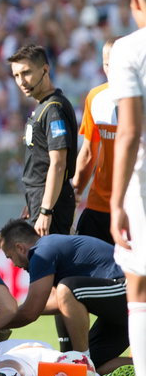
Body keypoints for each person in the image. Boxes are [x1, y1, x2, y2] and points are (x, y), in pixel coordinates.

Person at [0, 219, 130, 376]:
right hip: (121, 299)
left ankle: (81, 363)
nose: (14, 264)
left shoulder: (41, 252)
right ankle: (87, 364)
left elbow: (31, 312)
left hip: (130, 289)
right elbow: (58, 303)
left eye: (9, 257)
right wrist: (1, 320)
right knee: (98, 366)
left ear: (20, 248)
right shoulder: (47, 247)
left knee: (66, 288)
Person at [108, 0, 146, 376]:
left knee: (138, 288)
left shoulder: (129, 49)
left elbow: (130, 130)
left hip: (143, 187)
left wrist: (116, 199)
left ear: (136, 3)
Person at [8, 44, 78, 236]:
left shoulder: (53, 110)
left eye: (26, 72)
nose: (21, 81)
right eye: (16, 76)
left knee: (49, 264)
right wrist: (33, 202)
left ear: (45, 69)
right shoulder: (43, 107)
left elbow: (58, 163)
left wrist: (46, 210)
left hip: (51, 204)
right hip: (39, 199)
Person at [72, 39, 117, 244]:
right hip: (99, 205)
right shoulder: (96, 97)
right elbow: (89, 153)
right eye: (107, 63)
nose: (112, 68)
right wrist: (76, 192)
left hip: (136, 206)